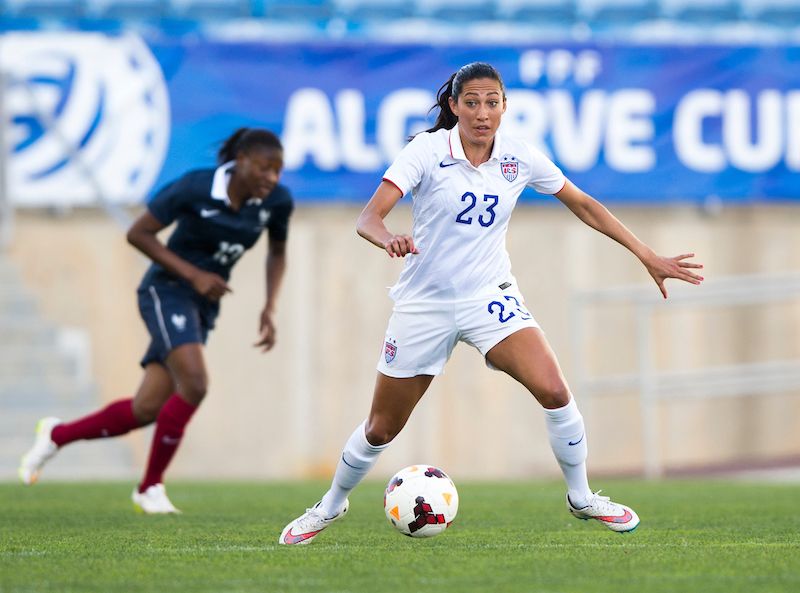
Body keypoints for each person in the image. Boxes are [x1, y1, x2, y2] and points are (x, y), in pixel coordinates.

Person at [279, 62, 704, 544]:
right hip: (424, 305)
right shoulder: (426, 151)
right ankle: (330, 505)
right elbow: (368, 218)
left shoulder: (518, 156)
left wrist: (646, 254)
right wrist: (388, 239)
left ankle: (581, 497)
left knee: (555, 390)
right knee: (381, 428)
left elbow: (583, 202)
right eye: (473, 102)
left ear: (505, 106)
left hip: (490, 297)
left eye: (493, 102)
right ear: (455, 106)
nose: (483, 112)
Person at [19, 127, 294, 514]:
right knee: (195, 383)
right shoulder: (195, 187)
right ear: (241, 161)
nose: (272, 178)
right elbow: (139, 233)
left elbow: (277, 251)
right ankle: (149, 487)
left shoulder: (276, 202)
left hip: (202, 305)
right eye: (265, 168)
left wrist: (270, 306)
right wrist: (193, 275)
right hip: (164, 291)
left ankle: (56, 435)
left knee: (145, 409)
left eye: (278, 171)